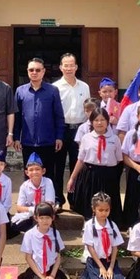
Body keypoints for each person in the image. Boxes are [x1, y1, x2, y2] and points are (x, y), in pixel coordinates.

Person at [14, 57, 65, 195]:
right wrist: (16, 137)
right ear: (27, 72)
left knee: (49, 174)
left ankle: (51, 202)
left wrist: (59, 137)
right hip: (28, 141)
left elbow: (59, 116)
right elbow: (17, 117)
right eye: (31, 70)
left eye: (37, 70)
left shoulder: (52, 90)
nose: (34, 72)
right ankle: (29, 203)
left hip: (48, 141)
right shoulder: (20, 91)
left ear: (43, 72)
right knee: (30, 174)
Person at [68, 108, 123, 227]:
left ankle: (108, 227)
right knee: (90, 201)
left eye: (102, 120)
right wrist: (72, 178)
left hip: (108, 174)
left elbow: (119, 159)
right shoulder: (86, 138)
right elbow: (81, 159)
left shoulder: (114, 139)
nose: (99, 123)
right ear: (92, 122)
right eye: (96, 120)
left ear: (107, 122)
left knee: (107, 201)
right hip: (90, 173)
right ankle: (89, 226)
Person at [53, 53, 90, 209]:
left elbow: (89, 110)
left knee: (78, 166)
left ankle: (76, 200)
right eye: (65, 65)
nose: (68, 68)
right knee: (58, 167)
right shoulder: (55, 87)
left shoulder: (84, 86)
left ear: (76, 67)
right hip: (61, 130)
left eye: (71, 65)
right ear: (61, 67)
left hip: (80, 130)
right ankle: (58, 199)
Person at [15, 202, 69, 279]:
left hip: (52, 270)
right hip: (37, 271)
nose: (45, 221)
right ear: (36, 218)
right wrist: (42, 278)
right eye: (42, 218)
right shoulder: (29, 235)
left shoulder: (55, 233)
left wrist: (52, 276)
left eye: (48, 218)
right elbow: (28, 258)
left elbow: (58, 257)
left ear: (53, 218)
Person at [78, 192, 127, 279]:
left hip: (109, 261)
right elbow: (90, 248)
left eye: (106, 210)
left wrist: (111, 267)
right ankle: (88, 277)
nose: (103, 213)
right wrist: (101, 267)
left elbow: (115, 247)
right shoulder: (89, 226)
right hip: (95, 262)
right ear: (93, 209)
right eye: (100, 210)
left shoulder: (112, 226)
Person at [11, 152, 56, 234]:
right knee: (15, 225)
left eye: (37, 169)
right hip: (31, 213)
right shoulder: (24, 186)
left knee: (46, 217)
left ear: (43, 171)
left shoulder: (48, 182)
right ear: (26, 172)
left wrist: (39, 212)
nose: (34, 172)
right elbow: (19, 207)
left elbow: (49, 204)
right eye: (31, 170)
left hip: (44, 213)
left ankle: (40, 228)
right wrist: (32, 210)